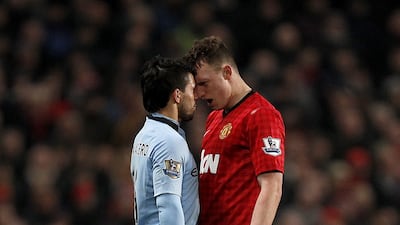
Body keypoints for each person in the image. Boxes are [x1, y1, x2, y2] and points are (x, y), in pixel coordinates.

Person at [183, 36, 285, 225]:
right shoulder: (214, 118)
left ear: (227, 72)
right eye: (196, 87)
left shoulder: (261, 114)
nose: (199, 94)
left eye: (204, 83)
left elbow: (272, 186)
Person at [130, 55, 199, 225]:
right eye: (191, 89)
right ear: (177, 95)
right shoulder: (169, 141)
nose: (196, 96)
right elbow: (168, 206)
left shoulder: (145, 134)